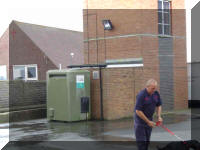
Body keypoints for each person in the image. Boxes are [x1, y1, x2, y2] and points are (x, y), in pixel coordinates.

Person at [134, 79, 163, 150]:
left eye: (155, 88)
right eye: (152, 88)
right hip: (140, 123)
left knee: (147, 142)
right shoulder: (141, 95)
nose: (154, 90)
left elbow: (159, 105)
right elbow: (138, 111)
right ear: (147, 86)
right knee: (142, 143)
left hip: (149, 121)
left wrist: (159, 116)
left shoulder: (156, 94)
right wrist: (148, 121)